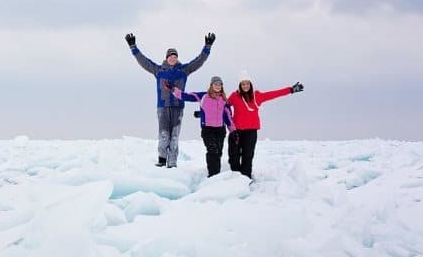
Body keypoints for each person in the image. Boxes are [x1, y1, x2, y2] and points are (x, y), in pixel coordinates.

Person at [125, 32, 216, 168]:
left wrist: (207, 47)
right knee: (163, 135)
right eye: (170, 56)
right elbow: (144, 61)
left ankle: (172, 162)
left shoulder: (184, 70)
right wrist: (133, 47)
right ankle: (162, 160)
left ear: (177, 58)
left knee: (174, 136)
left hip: (178, 108)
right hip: (162, 108)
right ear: (166, 58)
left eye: (175, 57)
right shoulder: (159, 70)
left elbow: (198, 61)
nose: (173, 59)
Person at [226, 71, 305, 178]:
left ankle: (245, 178)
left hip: (251, 132)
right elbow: (222, 106)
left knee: (247, 157)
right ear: (240, 85)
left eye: (247, 83)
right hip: (236, 132)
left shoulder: (257, 96)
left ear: (250, 84)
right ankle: (235, 178)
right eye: (243, 84)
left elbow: (274, 94)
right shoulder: (234, 96)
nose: (245, 86)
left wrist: (290, 90)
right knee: (233, 156)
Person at [168, 76, 235, 177]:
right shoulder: (204, 96)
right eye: (216, 84)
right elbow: (187, 96)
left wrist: (233, 131)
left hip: (220, 130)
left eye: (220, 84)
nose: (218, 86)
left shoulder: (224, 100)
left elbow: (228, 116)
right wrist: (173, 89)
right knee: (212, 150)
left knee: (218, 153)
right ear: (211, 85)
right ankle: (213, 175)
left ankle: (217, 175)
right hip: (207, 129)